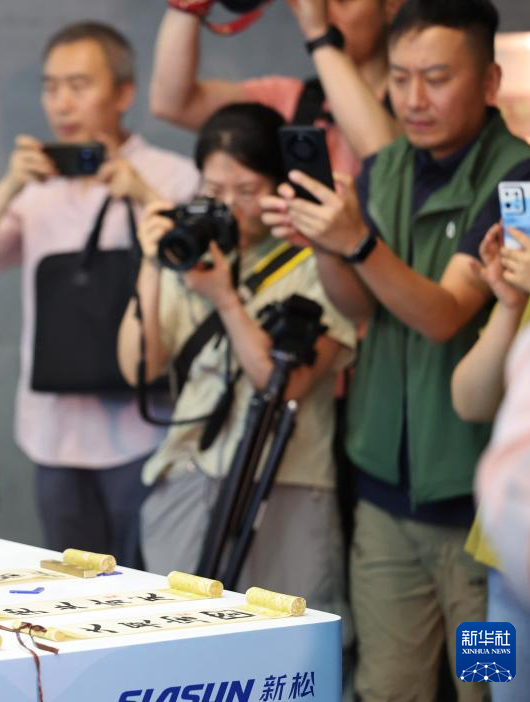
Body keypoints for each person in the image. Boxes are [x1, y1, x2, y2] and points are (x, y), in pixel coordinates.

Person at [261, 1, 530, 698]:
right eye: (403, 77)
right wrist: (328, 245)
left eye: (437, 78)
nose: (414, 99)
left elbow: (443, 314)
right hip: (384, 496)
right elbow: (360, 309)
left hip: (478, 516)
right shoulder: (384, 170)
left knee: (486, 687)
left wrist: (357, 241)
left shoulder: (520, 182)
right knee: (387, 686)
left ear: (489, 80)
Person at [0, 21, 199, 566]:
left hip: (145, 428)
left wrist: (143, 195)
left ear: (123, 93)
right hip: (52, 432)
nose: (61, 102)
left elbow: (201, 270)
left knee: (148, 587)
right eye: (51, 87)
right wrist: (10, 185)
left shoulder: (171, 176)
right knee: (75, 584)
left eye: (79, 85)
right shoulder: (37, 187)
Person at [117, 103, 355, 620]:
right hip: (189, 475)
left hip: (285, 481)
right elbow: (139, 369)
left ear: (280, 187)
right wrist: (153, 265)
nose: (229, 206)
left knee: (284, 637)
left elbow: (282, 385)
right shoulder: (193, 256)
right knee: (181, 638)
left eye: (247, 190)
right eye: (214, 190)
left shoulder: (318, 263)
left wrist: (226, 300)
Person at [151, 0, 401, 174]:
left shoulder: (414, 106)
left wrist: (319, 36)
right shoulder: (292, 99)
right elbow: (172, 104)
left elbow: (386, 161)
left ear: (392, 5)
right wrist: (188, 6)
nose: (323, 13)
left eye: (342, 1)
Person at [453, 224, 530, 702]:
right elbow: (468, 401)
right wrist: (508, 303)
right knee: (494, 693)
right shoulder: (527, 289)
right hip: (500, 562)